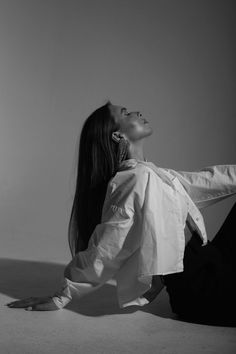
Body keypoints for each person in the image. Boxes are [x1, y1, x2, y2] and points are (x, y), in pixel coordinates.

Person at [6, 101, 236, 326]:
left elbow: (208, 180)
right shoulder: (132, 181)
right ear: (118, 135)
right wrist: (63, 295)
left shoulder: (152, 174)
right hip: (202, 286)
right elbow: (106, 248)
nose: (137, 111)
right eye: (126, 114)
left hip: (210, 260)